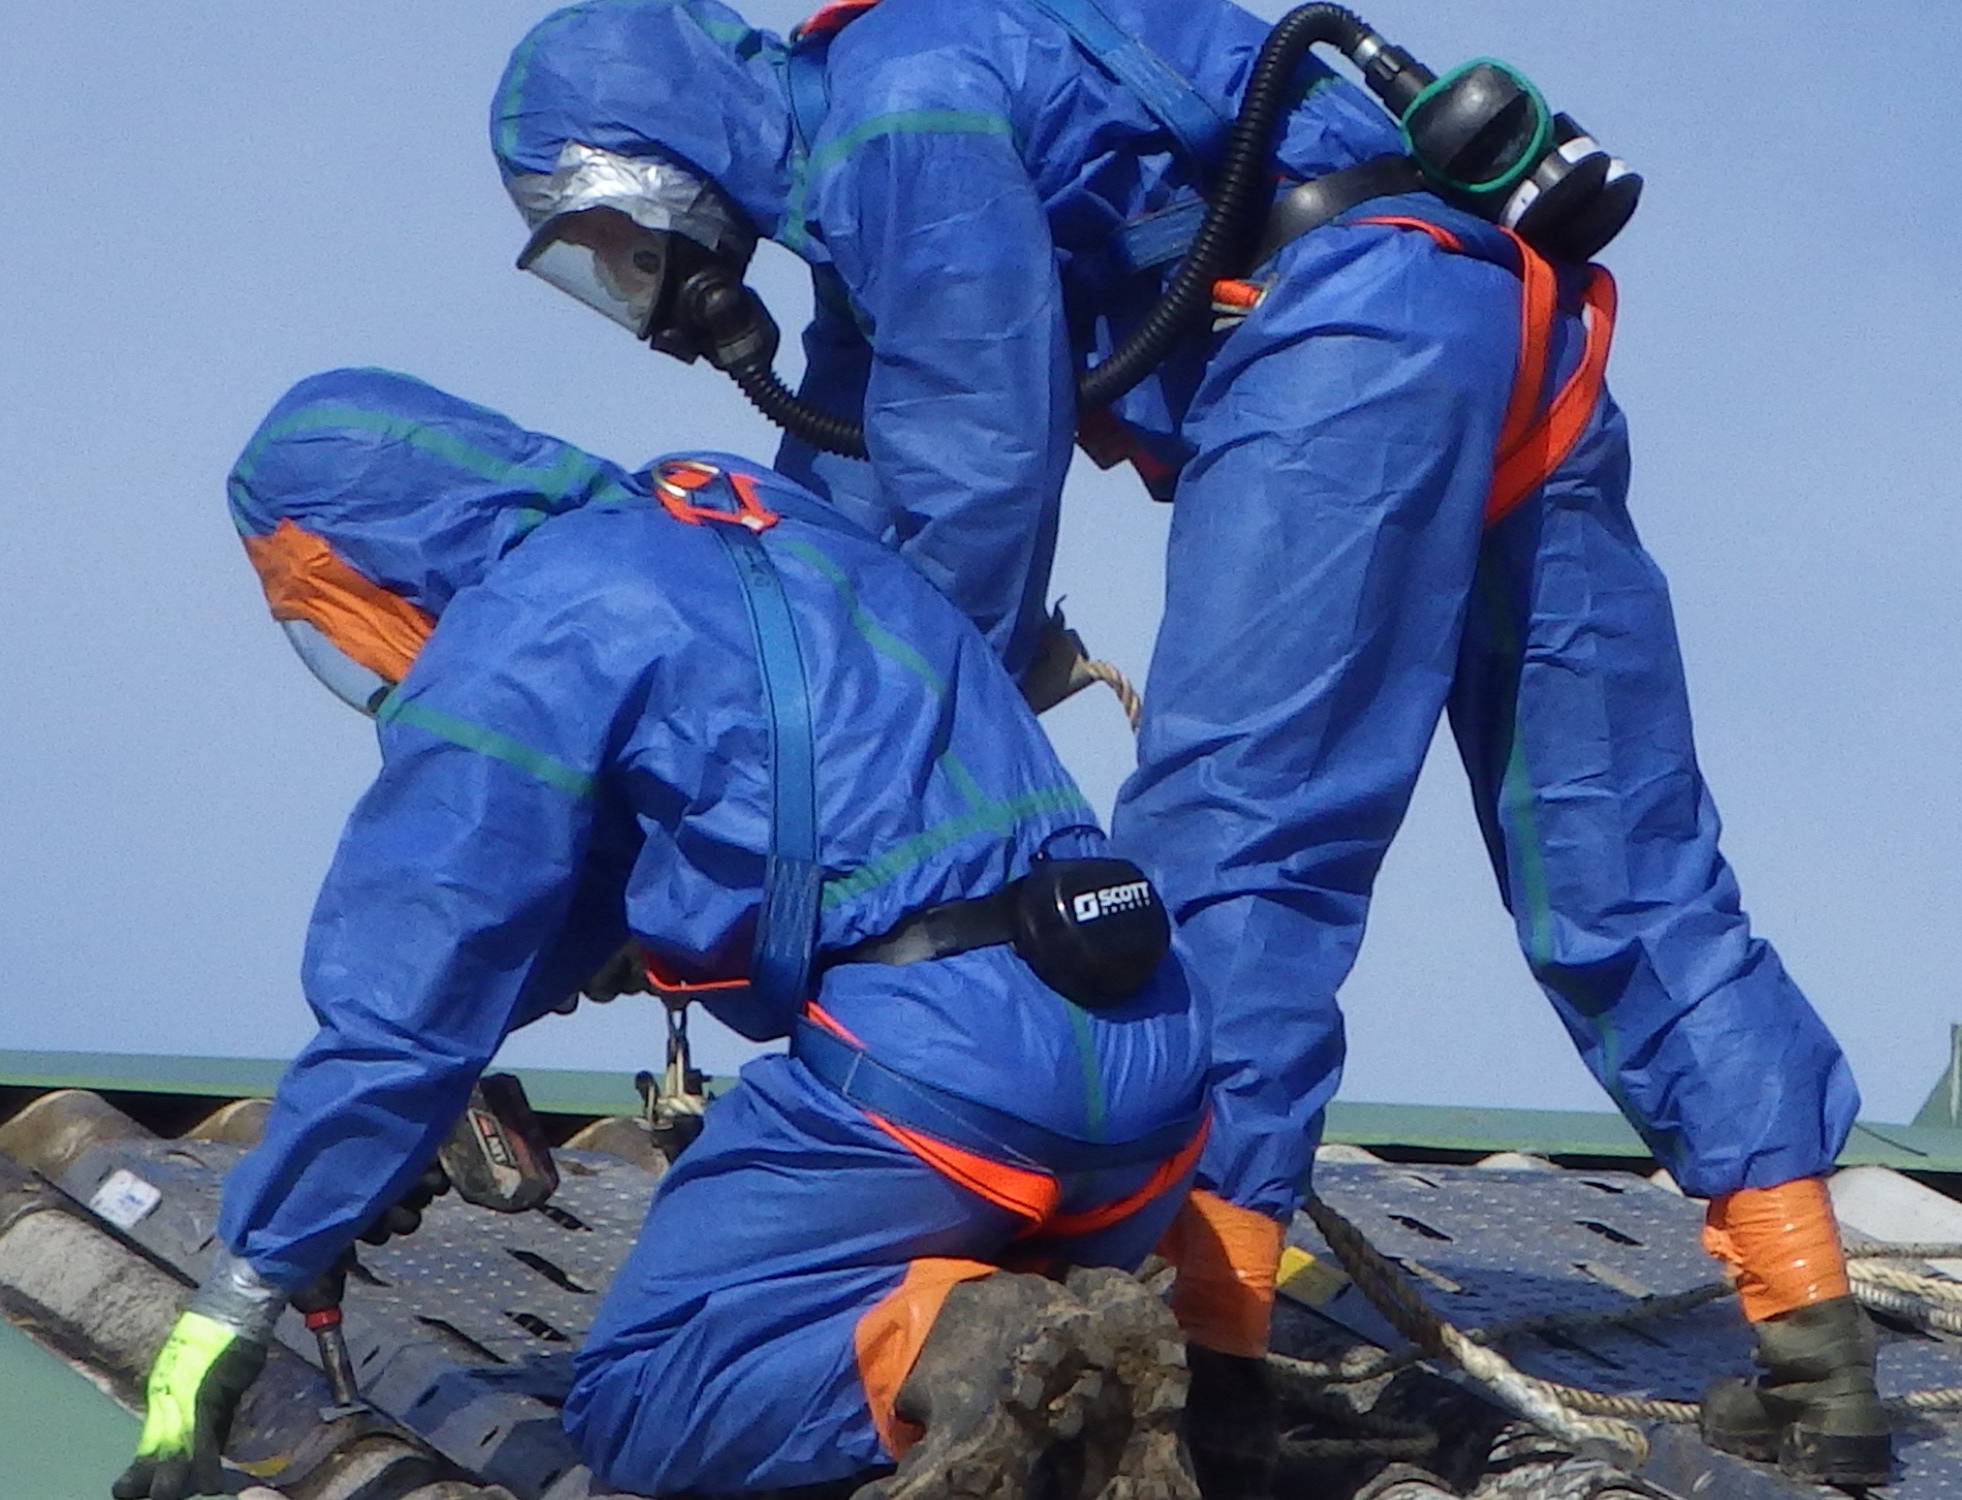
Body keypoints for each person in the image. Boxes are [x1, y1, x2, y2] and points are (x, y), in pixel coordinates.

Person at [488, 0, 1889, 1486]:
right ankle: (1816, 1345)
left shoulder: (898, 115)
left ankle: (1213, 1375)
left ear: (654, 153)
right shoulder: (887, 145)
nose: (634, 281)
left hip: (1347, 343)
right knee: (1623, 855)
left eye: (608, 233)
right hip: (1502, 324)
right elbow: (829, 538)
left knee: (1238, 859)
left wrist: (847, 758)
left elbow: (971, 470)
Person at [113, 367, 1208, 1500]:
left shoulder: (523, 628)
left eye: (315, 599)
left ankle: (958, 1343)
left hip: (938, 1099)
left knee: (644, 1396)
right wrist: (377, 1145)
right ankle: (1047, 1362)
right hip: (1155, 1089)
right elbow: (609, 899)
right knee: (941, 1376)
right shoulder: (746, 514)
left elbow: (408, 1003)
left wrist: (239, 1297)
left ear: (355, 552)